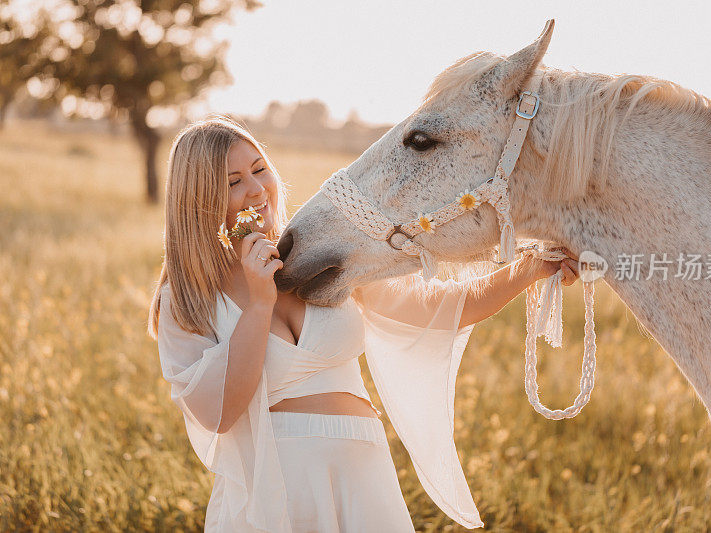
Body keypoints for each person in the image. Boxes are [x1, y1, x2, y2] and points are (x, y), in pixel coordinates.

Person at [147, 115, 579, 532]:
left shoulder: (320, 261)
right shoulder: (189, 296)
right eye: (233, 182)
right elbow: (218, 414)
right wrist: (259, 305)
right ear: (200, 199)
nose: (257, 189)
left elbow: (438, 308)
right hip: (275, 496)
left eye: (260, 170)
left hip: (363, 476)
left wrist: (529, 270)